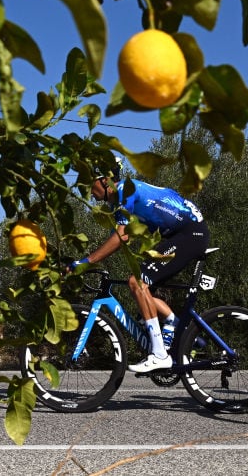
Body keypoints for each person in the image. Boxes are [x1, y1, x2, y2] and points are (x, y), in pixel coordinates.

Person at [71, 160, 209, 373]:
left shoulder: (124, 192)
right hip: (181, 234)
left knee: (138, 282)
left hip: (189, 234)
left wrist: (86, 262)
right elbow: (119, 237)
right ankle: (176, 325)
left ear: (104, 180)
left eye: (90, 184)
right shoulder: (119, 198)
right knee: (141, 290)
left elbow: (120, 238)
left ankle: (160, 354)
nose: (89, 192)